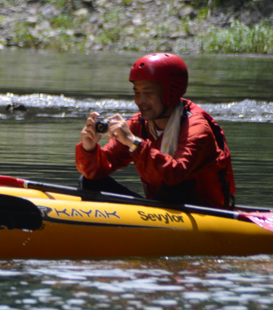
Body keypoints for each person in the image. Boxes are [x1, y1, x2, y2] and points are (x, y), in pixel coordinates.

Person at [75, 53, 236, 209]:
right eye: (136, 92)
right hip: (159, 206)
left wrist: (133, 143)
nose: (139, 101)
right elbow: (99, 168)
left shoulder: (197, 127)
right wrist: (88, 149)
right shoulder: (138, 125)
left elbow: (174, 174)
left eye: (148, 93)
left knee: (174, 190)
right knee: (89, 181)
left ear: (170, 93)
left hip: (203, 210)